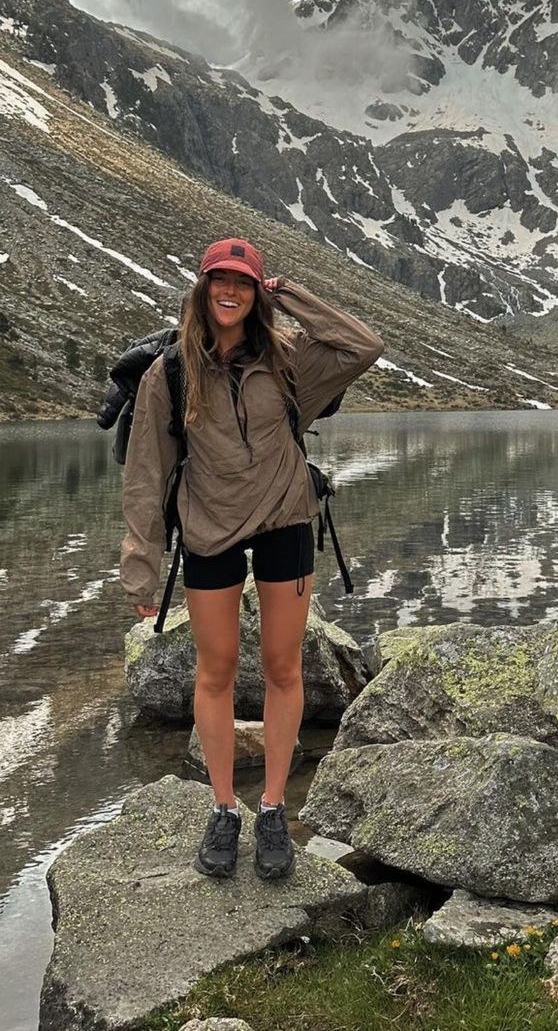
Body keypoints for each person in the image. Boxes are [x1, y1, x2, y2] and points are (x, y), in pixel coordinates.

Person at [120, 237, 383, 880]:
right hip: (208, 531)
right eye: (219, 281)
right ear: (203, 289)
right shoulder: (172, 371)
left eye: (243, 282)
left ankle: (270, 809)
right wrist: (142, 562)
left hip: (286, 523)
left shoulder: (288, 359)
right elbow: (146, 470)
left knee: (282, 667)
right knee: (215, 670)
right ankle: (223, 809)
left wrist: (287, 293)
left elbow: (362, 345)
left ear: (254, 291)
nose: (229, 292)